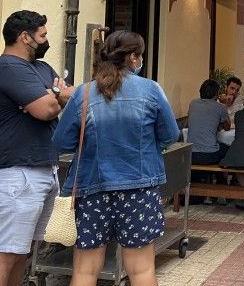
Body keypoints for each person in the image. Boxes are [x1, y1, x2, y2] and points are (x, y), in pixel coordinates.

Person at [52, 30, 179, 286]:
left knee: (85, 272)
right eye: (139, 55)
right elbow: (170, 134)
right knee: (141, 271)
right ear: (134, 57)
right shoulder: (151, 90)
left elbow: (62, 142)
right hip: (139, 189)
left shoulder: (84, 94)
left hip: (92, 190)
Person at [0, 10, 75, 286]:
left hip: (43, 169)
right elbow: (47, 110)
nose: (47, 40)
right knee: (6, 253)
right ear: (25, 37)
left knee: (22, 251)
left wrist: (54, 96)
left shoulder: (41, 68)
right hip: (18, 174)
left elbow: (69, 97)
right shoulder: (9, 68)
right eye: (43, 35)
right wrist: (53, 96)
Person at [188, 79, 231, 164]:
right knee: (228, 149)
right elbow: (227, 127)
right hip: (209, 155)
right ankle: (222, 177)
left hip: (191, 154)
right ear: (216, 94)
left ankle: (207, 176)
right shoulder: (220, 106)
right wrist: (224, 104)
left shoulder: (192, 103)